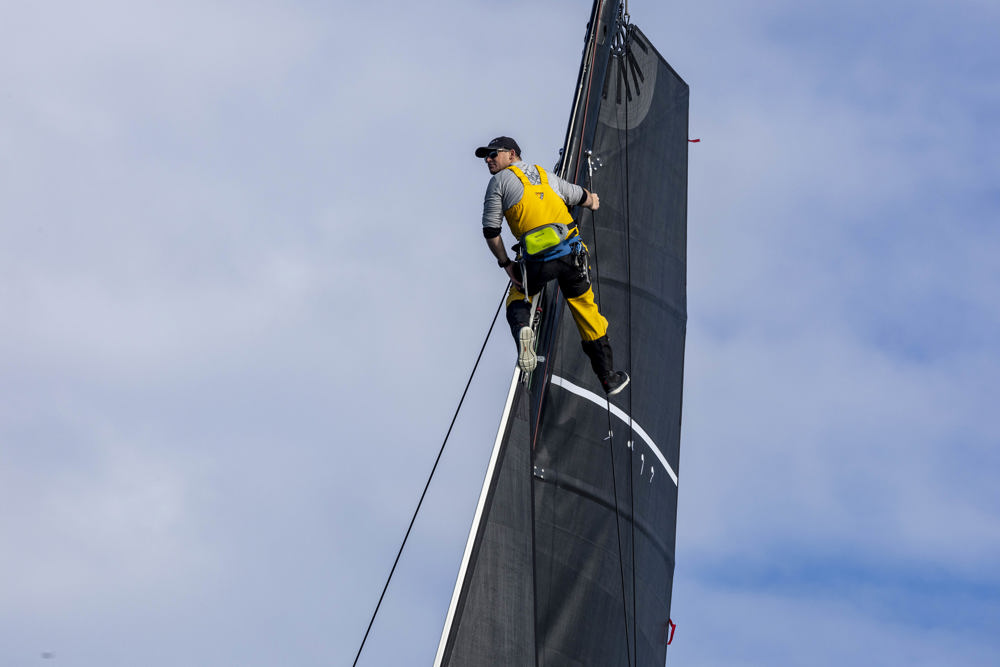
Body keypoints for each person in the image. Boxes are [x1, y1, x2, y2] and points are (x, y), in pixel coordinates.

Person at [476, 136, 629, 395]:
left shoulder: (498, 183)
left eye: (493, 154)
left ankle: (524, 329)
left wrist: (506, 264)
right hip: (571, 256)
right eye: (486, 157)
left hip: (536, 262)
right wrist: (592, 200)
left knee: (518, 296)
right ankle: (607, 377)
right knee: (586, 309)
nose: (488, 160)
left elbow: (491, 231)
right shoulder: (542, 174)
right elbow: (576, 194)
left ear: (512, 154)